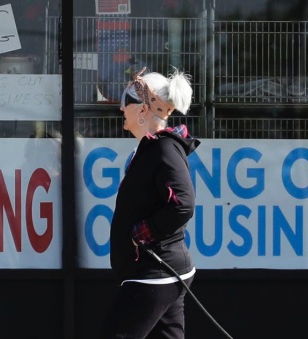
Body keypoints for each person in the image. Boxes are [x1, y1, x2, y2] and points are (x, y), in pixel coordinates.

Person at [99, 67, 200, 339]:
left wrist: (140, 234)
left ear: (143, 109)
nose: (122, 110)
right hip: (159, 271)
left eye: (126, 104)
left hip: (154, 272)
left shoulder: (164, 149)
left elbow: (183, 204)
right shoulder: (150, 149)